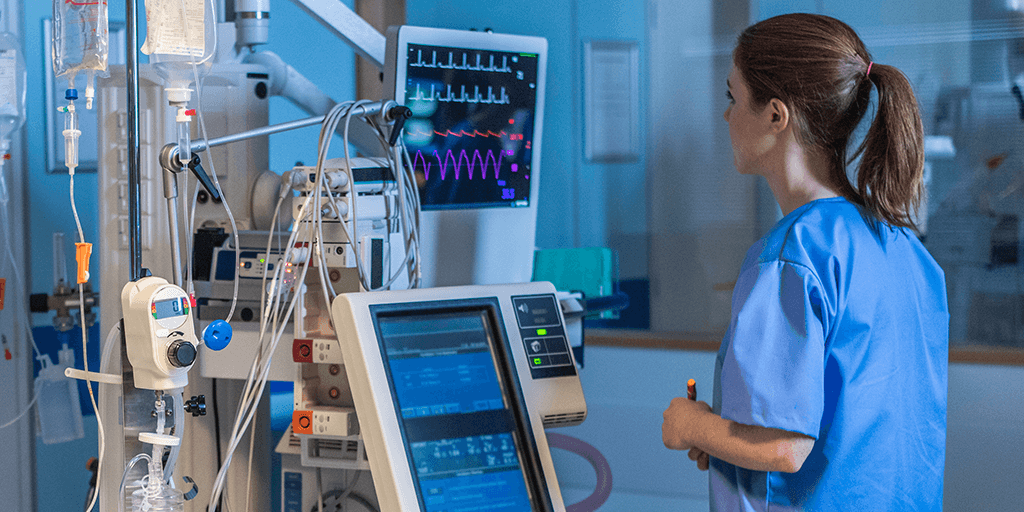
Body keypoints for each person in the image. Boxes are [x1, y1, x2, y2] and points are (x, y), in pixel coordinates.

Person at [661, 13, 949, 512]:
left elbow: (785, 447)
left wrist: (694, 426)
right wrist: (726, 439)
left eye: (733, 98)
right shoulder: (906, 249)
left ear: (776, 115)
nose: (726, 116)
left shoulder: (792, 257)